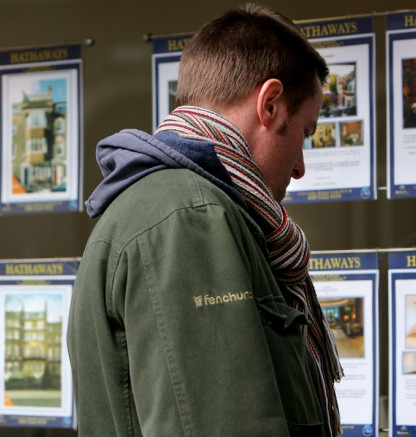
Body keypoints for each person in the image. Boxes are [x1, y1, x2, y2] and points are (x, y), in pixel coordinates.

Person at [67, 3, 343, 436]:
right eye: (305, 134)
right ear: (270, 104)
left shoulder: (169, 204)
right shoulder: (188, 217)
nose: (300, 167)